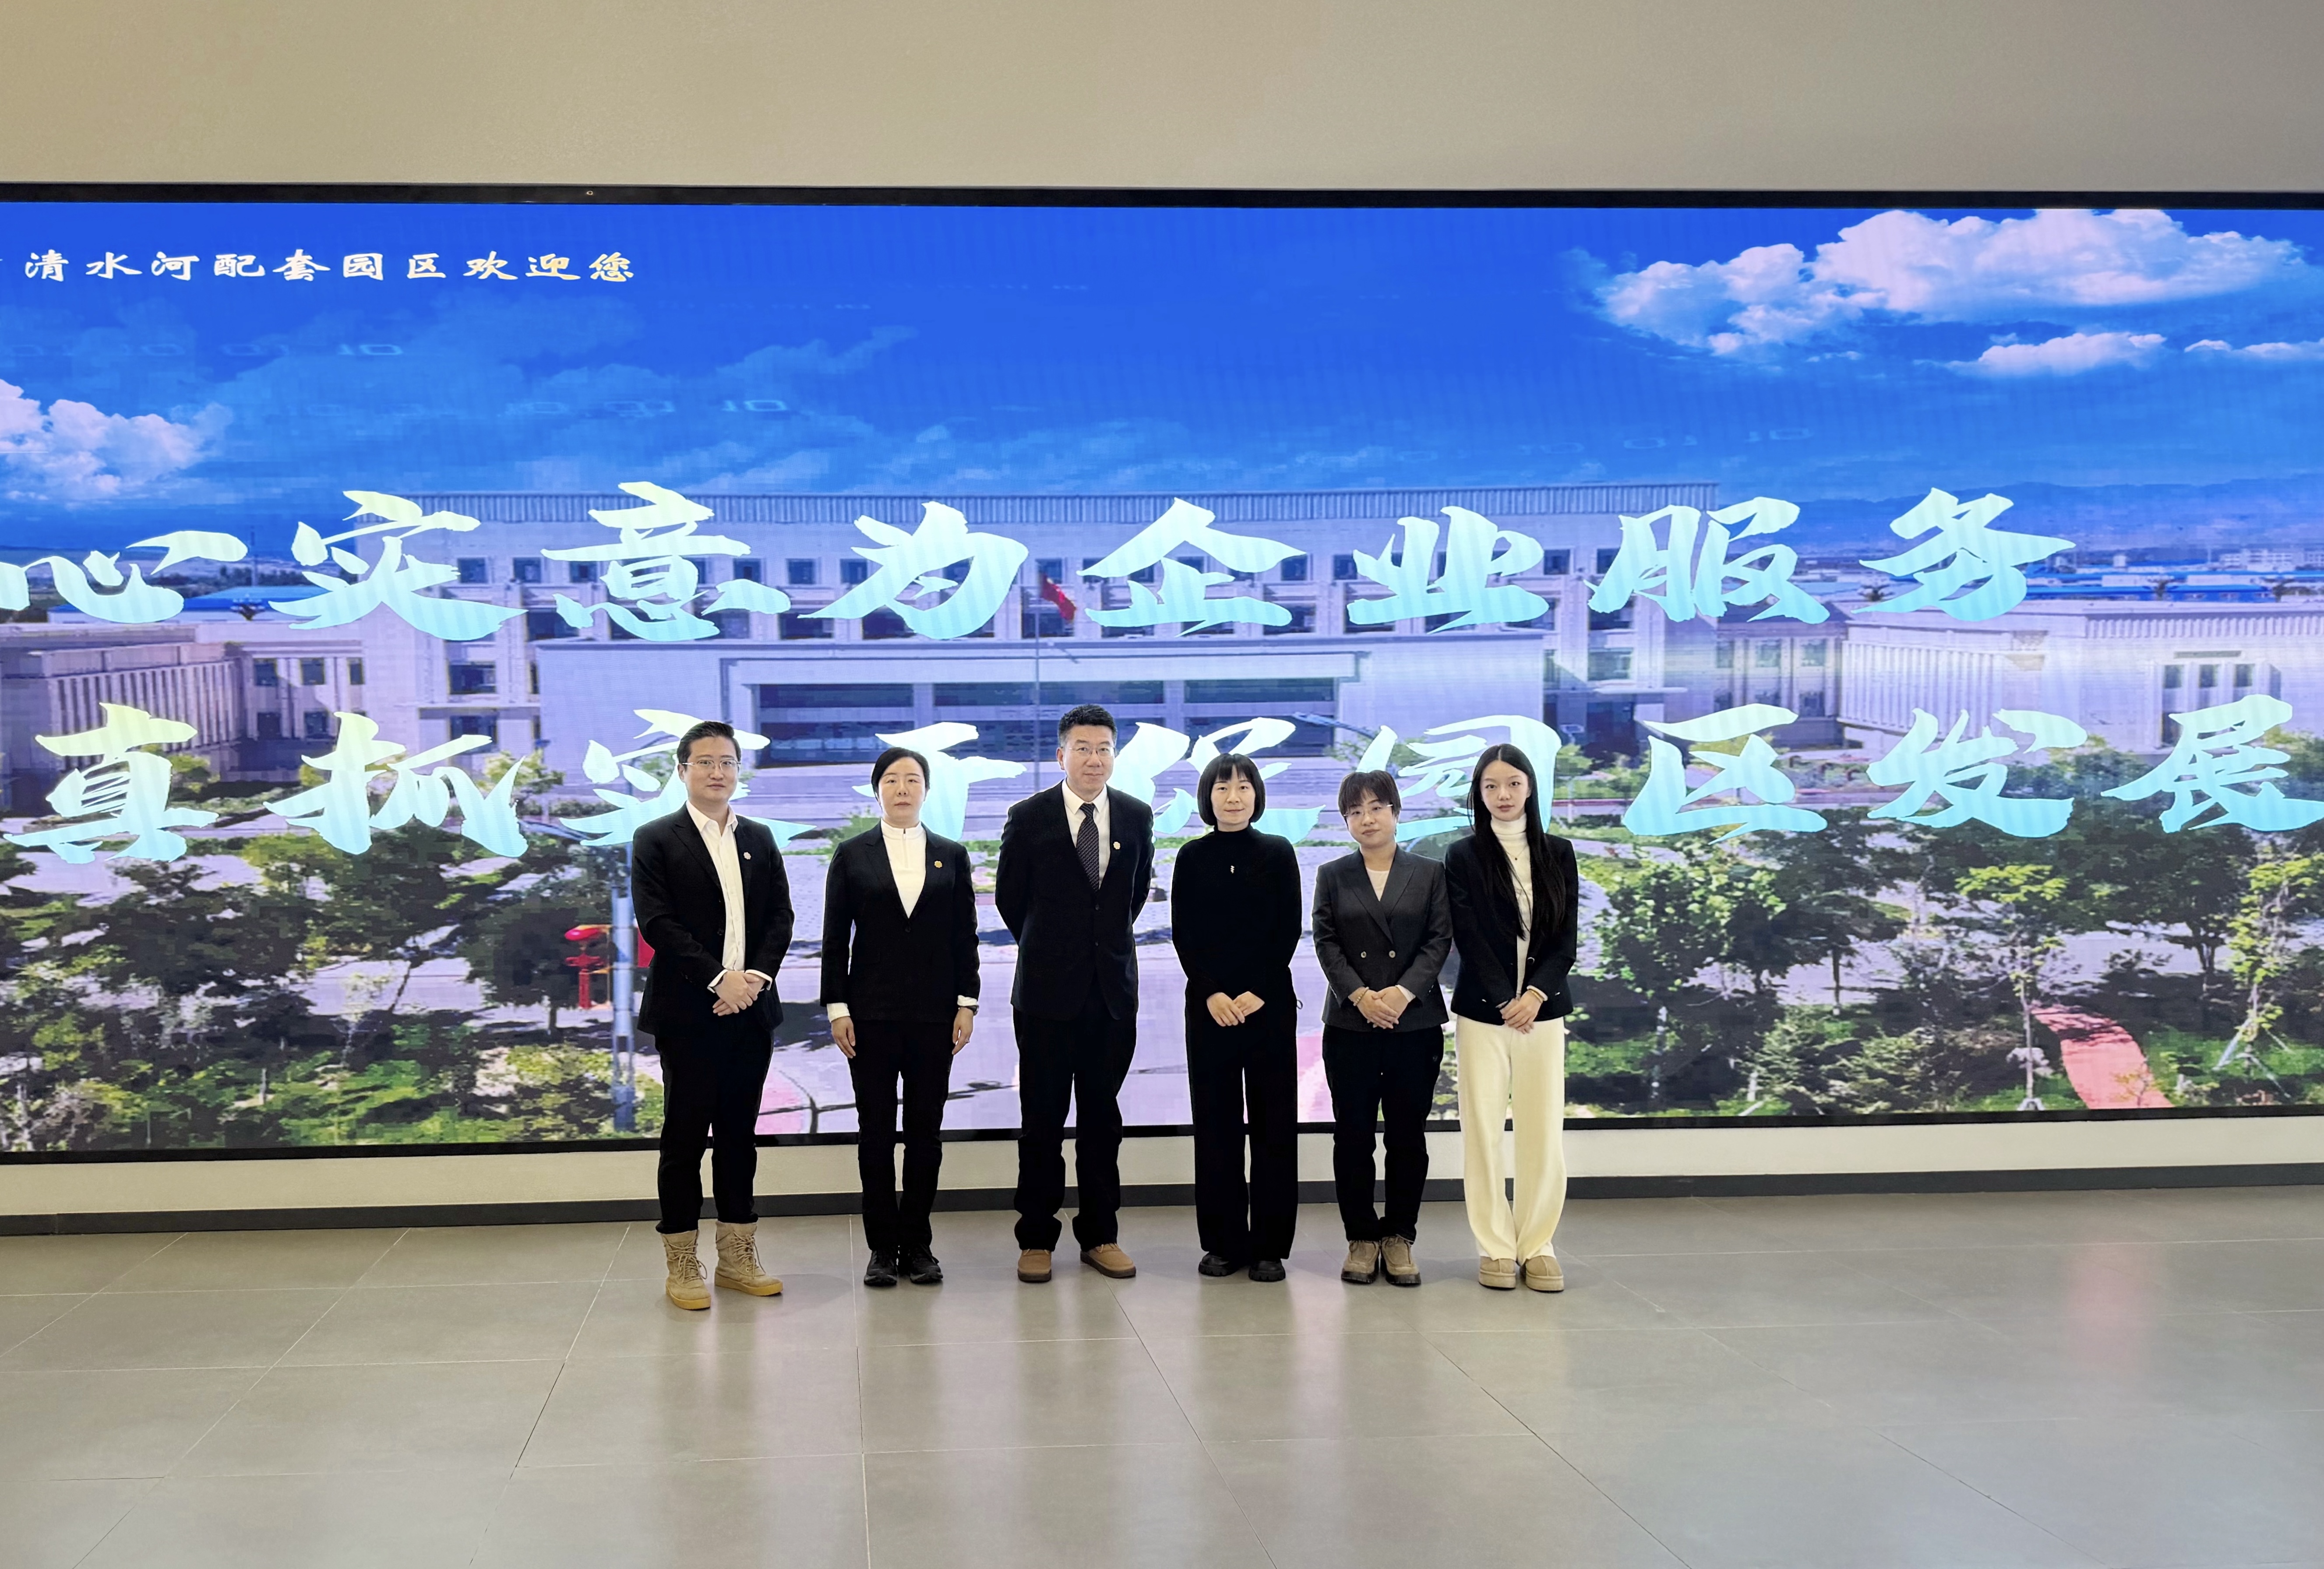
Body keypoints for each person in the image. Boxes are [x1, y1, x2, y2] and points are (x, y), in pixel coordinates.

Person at [631, 719, 793, 1310]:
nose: (717, 772)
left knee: (739, 1138)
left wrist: (753, 980)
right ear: (682, 771)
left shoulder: (759, 837)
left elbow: (780, 917)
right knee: (683, 1139)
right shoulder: (655, 838)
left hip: (750, 1010)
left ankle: (736, 1257)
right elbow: (657, 922)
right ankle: (682, 1263)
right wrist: (718, 979)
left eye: (727, 762)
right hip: (688, 1012)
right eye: (705, 762)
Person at [995, 703, 1156, 1284]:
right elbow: (1011, 900)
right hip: (1044, 995)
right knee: (1040, 1120)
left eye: (1103, 748)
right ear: (1062, 754)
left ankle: (1100, 1234)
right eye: (1082, 748)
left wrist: (1098, 949)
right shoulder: (1028, 816)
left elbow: (1132, 897)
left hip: (1110, 994)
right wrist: (1054, 948)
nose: (1094, 759)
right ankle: (1036, 1237)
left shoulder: (1135, 816)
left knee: (1101, 1121)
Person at [822, 746, 980, 1290]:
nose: (903, 788)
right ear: (878, 790)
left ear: (926, 790)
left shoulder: (951, 854)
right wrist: (837, 1006)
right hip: (869, 1015)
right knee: (876, 1132)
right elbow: (834, 937)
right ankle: (881, 1247)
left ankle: (918, 1244)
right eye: (892, 779)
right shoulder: (852, 853)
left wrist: (967, 1002)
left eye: (913, 779)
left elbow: (965, 935)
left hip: (936, 1015)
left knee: (925, 1133)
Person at [1444, 744, 1580, 1292]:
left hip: (1543, 1014)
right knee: (1482, 1130)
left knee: (1542, 1130)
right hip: (1484, 1013)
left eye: (1513, 783)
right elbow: (1469, 936)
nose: (1503, 795)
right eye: (1491, 786)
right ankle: (1496, 1246)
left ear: (1530, 787)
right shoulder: (1462, 855)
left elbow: (1566, 938)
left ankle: (1538, 1244)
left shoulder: (1558, 852)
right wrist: (1506, 999)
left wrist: (1535, 994)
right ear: (1479, 793)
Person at [1310, 769, 1452, 1288]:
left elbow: (1439, 940)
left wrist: (1401, 993)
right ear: (1346, 820)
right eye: (1355, 811)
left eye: (1376, 807)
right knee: (1353, 1135)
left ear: (1396, 810)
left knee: (1407, 1135)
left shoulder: (1430, 872)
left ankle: (1399, 1236)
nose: (1367, 818)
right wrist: (1362, 996)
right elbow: (1326, 941)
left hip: (1415, 1022)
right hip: (1351, 1022)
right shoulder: (1332, 873)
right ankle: (1362, 1237)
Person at [1169, 752, 1302, 1283]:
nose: (1233, 796)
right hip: (1210, 1010)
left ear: (1257, 795)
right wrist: (1213, 992)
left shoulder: (1278, 851)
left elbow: (1287, 929)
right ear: (1208, 797)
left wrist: (1257, 991)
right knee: (1216, 1127)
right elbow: (1184, 933)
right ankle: (1224, 1243)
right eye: (1223, 787)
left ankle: (1270, 1245)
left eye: (1244, 786)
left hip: (1268, 1007)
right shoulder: (1192, 856)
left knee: (1274, 1126)